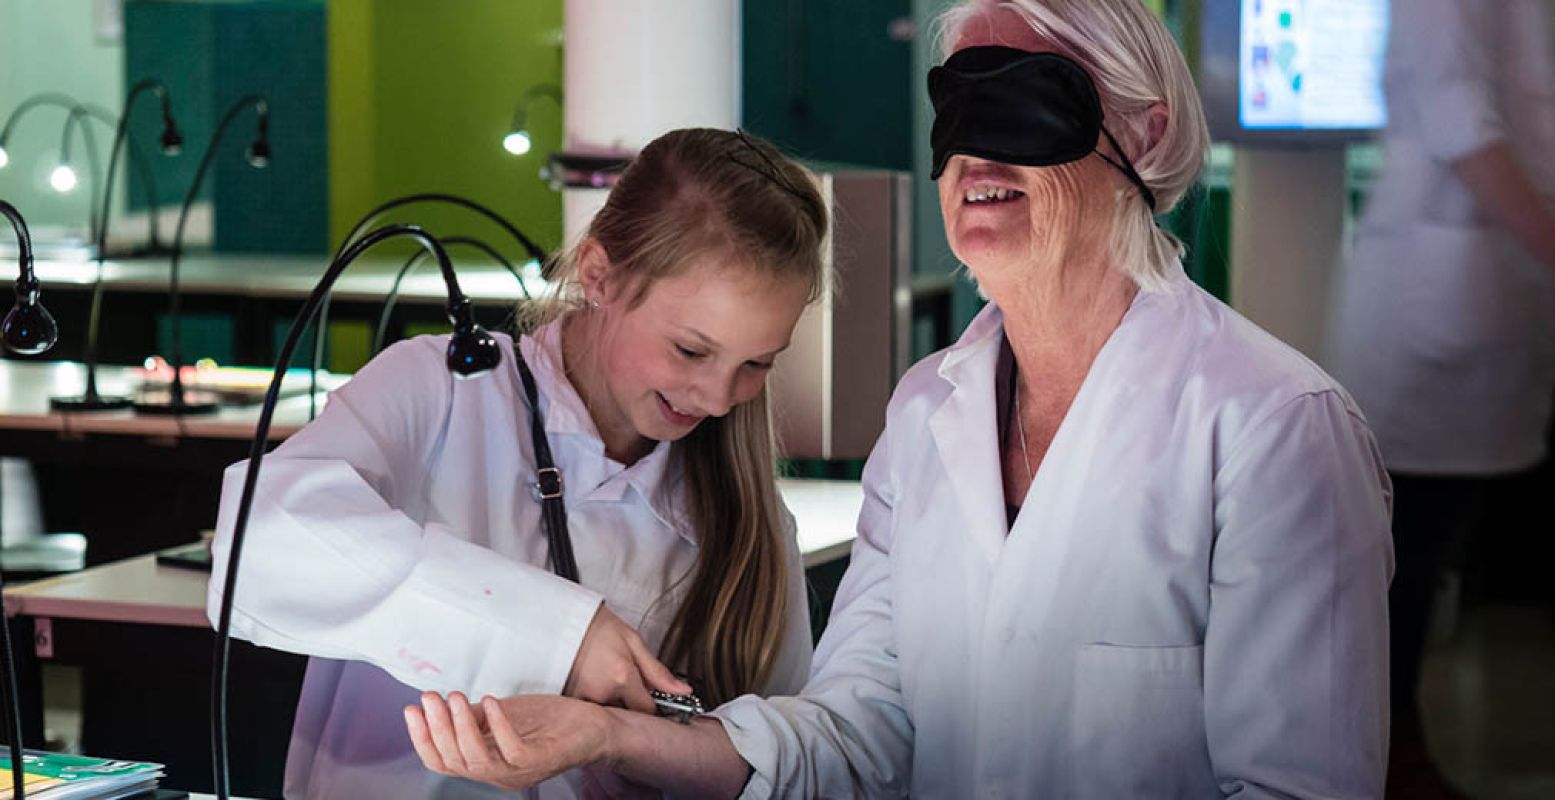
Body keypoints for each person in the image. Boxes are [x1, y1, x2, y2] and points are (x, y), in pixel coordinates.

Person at [406, 1, 1395, 796]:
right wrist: (606, 733)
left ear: (1145, 133)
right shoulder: (927, 414)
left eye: (1024, 102)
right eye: (957, 110)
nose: (977, 153)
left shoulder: (1273, 429)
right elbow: (853, 730)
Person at [206, 127, 828, 798]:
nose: (716, 397)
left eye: (756, 364)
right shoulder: (439, 389)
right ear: (598, 276)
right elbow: (261, 539)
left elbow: (782, 758)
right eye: (689, 351)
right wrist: (559, 636)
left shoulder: (748, 527)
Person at [1329, 0, 1555, 795]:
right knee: (1400, 562)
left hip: (1489, 299)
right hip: (1444, 305)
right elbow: (1464, 125)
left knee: (1421, 555)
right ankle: (1381, 761)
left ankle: (1392, 753)